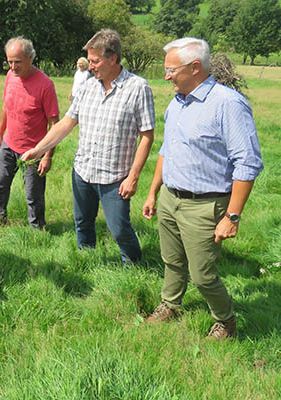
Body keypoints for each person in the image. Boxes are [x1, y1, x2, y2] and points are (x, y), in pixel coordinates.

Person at [142, 38, 263, 339]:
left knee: (203, 275)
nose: (166, 75)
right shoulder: (177, 103)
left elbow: (247, 163)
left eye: (171, 70)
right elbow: (166, 151)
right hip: (171, 198)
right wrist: (153, 192)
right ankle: (170, 304)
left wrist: (232, 216)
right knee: (171, 261)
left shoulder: (228, 105)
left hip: (206, 205)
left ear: (195, 67)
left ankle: (226, 321)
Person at [22, 29, 155, 263]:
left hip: (115, 177)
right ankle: (87, 261)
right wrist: (39, 149)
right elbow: (66, 123)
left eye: (95, 61)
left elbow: (147, 136)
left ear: (112, 59)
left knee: (119, 230)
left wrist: (133, 177)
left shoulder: (138, 88)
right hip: (83, 172)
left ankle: (133, 268)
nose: (90, 66)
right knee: (82, 223)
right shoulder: (87, 86)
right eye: (90, 61)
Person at [0, 36, 60, 229]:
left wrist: (47, 156)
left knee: (33, 195)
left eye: (17, 62)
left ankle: (36, 230)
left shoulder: (45, 85)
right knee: (0, 186)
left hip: (34, 151)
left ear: (30, 58)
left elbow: (55, 123)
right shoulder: (10, 77)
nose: (12, 67)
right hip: (8, 143)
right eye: (9, 61)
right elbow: (6, 106)